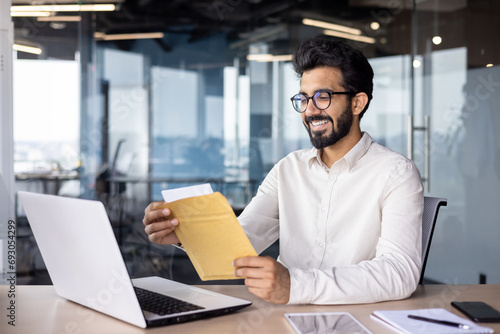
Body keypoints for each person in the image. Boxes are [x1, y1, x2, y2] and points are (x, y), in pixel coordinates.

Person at [143, 36, 424, 305]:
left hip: (358, 320)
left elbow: (400, 273)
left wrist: (296, 285)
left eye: (322, 97)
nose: (310, 111)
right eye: (303, 98)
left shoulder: (396, 173)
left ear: (357, 102)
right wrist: (184, 235)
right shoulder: (289, 169)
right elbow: (242, 242)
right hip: (285, 316)